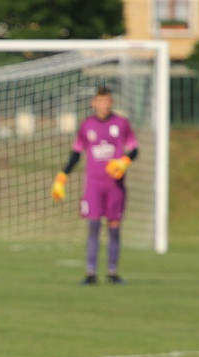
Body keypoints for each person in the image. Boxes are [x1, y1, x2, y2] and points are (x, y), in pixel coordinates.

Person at [51, 86, 139, 285]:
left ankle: (112, 272)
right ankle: (91, 273)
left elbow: (134, 149)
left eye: (107, 101)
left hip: (115, 185)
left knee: (114, 227)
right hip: (93, 185)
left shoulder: (121, 124)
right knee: (93, 226)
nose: (103, 105)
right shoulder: (87, 125)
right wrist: (62, 175)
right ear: (94, 103)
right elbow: (76, 153)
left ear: (111, 102)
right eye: (100, 101)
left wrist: (124, 161)